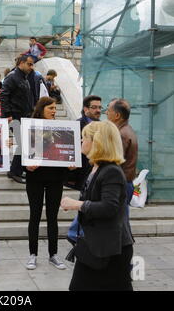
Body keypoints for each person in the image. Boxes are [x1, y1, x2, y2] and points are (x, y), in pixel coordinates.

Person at [61, 121, 134, 291]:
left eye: (84, 137)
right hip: (97, 245)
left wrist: (77, 204)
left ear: (97, 142)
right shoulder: (95, 167)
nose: (81, 141)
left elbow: (109, 207)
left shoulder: (111, 171)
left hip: (112, 249)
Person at [25, 97, 67, 271]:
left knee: (52, 217)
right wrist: (26, 165)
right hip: (35, 178)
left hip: (55, 179)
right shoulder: (29, 127)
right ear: (41, 109)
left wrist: (70, 165)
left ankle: (53, 255)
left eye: (55, 108)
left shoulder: (60, 128)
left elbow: (65, 152)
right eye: (50, 108)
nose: (54, 111)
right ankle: (32, 254)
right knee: (34, 216)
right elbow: (22, 153)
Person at [66, 95, 102, 245]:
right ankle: (75, 233)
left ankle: (75, 233)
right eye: (94, 107)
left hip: (96, 169)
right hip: (81, 171)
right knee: (85, 201)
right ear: (85, 109)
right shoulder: (76, 126)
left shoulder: (102, 127)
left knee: (87, 202)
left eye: (100, 107)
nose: (98, 110)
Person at [0, 55, 36, 184]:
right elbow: (3, 95)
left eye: (32, 65)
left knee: (25, 143)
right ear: (21, 63)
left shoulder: (23, 77)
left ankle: (18, 170)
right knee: (23, 143)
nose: (32, 67)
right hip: (14, 116)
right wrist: (7, 114)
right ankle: (14, 171)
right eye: (29, 64)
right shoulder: (12, 76)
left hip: (23, 115)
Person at [106, 98, 138, 219]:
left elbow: (114, 161)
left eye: (108, 111)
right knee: (121, 222)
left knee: (119, 223)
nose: (106, 113)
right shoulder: (126, 130)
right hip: (125, 183)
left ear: (117, 115)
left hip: (120, 184)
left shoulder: (121, 134)